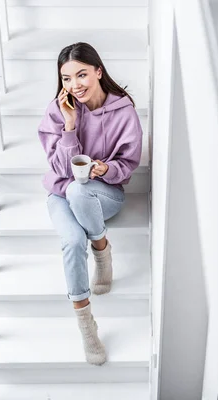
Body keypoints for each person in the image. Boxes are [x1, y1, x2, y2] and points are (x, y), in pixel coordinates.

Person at [38, 42, 143, 366]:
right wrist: (70, 125)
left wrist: (105, 169)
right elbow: (58, 170)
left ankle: (100, 248)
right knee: (70, 241)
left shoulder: (123, 111)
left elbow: (129, 162)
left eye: (81, 74)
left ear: (98, 71)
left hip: (103, 194)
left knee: (79, 192)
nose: (74, 85)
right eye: (66, 78)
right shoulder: (59, 110)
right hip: (60, 193)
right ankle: (87, 328)